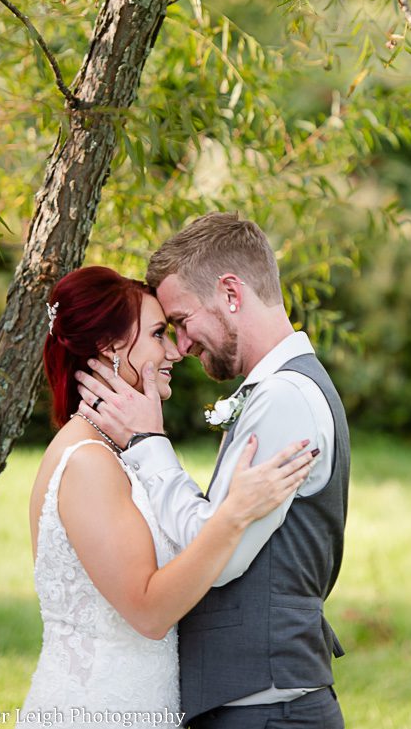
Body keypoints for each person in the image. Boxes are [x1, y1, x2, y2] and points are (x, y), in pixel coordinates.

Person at [76, 214, 350, 729]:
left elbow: (219, 554)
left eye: (180, 320)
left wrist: (148, 442)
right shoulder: (278, 391)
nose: (180, 346)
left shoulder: (286, 398)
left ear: (230, 293)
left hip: (269, 713)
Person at [19, 265, 315, 726]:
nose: (175, 350)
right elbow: (149, 612)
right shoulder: (87, 463)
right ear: (110, 348)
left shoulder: (115, 453)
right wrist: (233, 515)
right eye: (158, 333)